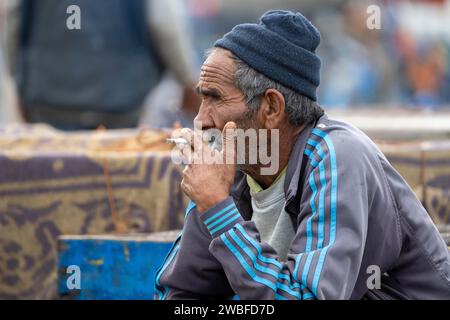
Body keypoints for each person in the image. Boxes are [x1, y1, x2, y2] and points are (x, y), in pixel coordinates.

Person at [154, 10, 450, 300]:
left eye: (215, 98)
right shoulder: (231, 167)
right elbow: (181, 292)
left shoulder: (338, 157)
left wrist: (219, 210)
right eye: (201, 97)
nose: (201, 120)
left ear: (271, 108)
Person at [5, 0, 200, 129]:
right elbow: (165, 26)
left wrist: (18, 81)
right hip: (120, 107)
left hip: (46, 103)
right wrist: (188, 80)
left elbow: (14, 21)